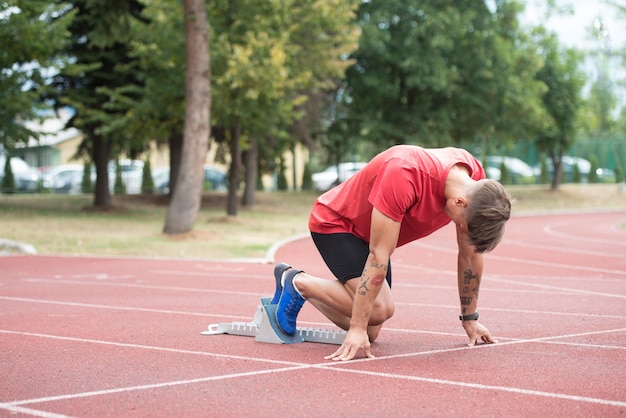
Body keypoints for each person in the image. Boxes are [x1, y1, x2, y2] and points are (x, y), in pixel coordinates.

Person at [272, 145, 512, 361]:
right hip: (337, 224)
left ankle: (304, 288)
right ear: (460, 202)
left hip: (372, 236)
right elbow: (378, 255)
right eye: (462, 225)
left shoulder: (476, 185)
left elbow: (470, 255)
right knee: (378, 310)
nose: (460, 230)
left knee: (371, 330)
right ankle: (297, 281)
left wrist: (470, 319)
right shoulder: (405, 174)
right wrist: (355, 326)